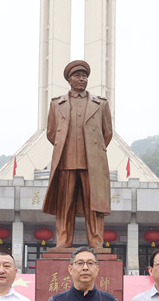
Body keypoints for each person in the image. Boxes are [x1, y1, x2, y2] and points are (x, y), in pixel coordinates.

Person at [42, 60, 114, 249]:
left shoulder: (101, 104)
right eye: (77, 75)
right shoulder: (57, 104)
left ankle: (96, 241)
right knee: (64, 205)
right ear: (69, 79)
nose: (82, 79)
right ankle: (63, 241)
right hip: (66, 162)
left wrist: (94, 150)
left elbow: (107, 133)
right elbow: (51, 133)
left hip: (93, 164)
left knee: (95, 206)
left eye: (84, 76)